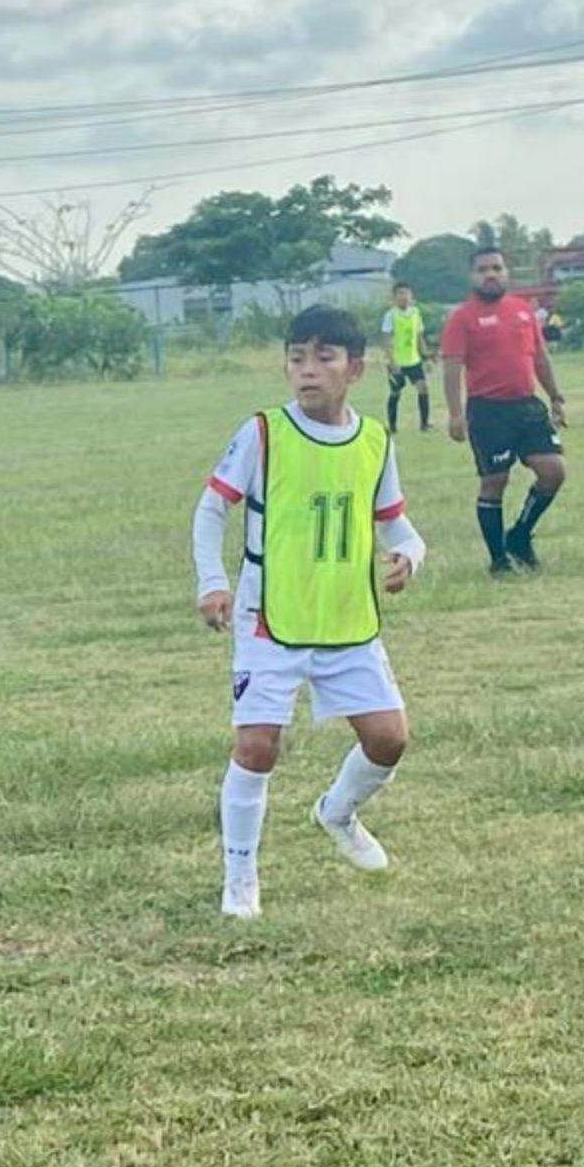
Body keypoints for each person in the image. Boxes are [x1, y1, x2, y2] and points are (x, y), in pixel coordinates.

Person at [191, 305, 428, 920]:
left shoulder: (374, 439)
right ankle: (240, 879)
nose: (307, 371)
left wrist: (409, 554)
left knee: (389, 739)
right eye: (297, 358)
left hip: (347, 621)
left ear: (356, 368)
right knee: (257, 747)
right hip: (270, 619)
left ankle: (338, 813)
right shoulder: (265, 433)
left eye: (323, 358)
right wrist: (213, 581)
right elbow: (211, 509)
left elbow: (395, 524)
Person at [441, 247, 570, 573]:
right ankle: (498, 560)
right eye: (483, 269)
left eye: (497, 268)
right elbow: (452, 367)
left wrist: (555, 396)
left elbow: (539, 357)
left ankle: (520, 535)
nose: (491, 274)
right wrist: (455, 414)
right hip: (488, 410)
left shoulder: (523, 311)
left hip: (527, 406)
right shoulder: (462, 318)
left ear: (506, 272)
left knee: (553, 471)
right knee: (495, 481)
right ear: (472, 276)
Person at [380, 282, 431, 435]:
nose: (404, 297)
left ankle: (424, 424)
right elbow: (387, 340)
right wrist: (391, 362)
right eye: (400, 294)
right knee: (395, 393)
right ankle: (392, 426)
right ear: (394, 297)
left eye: (406, 293)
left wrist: (426, 357)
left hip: (414, 361)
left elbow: (419, 336)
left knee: (423, 388)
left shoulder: (416, 313)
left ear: (411, 296)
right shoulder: (391, 315)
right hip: (398, 362)